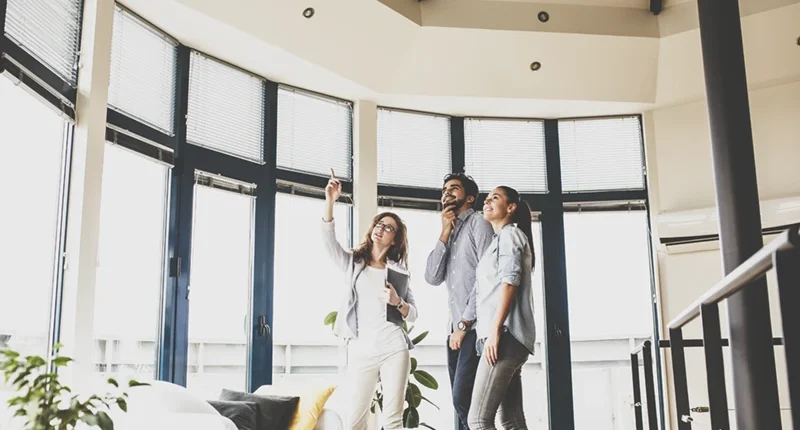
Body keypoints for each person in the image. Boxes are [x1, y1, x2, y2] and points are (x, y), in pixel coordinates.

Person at [322, 169, 418, 430]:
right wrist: (330, 201)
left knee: (393, 419)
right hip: (361, 349)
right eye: (379, 224)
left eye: (388, 228)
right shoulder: (354, 262)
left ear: (395, 239)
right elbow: (329, 242)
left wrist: (398, 302)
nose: (381, 229)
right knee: (354, 420)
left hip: (393, 347)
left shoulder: (398, 271)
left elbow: (413, 314)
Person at [424, 173, 494, 430]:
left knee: (463, 398)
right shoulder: (450, 231)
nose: (447, 193)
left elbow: (487, 279)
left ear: (471, 197)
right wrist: (444, 232)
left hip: (475, 328)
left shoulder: (479, 223)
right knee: (464, 404)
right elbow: (432, 277)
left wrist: (464, 324)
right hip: (454, 332)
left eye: (454, 188)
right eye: (445, 189)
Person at [468, 185, 537, 430]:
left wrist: (495, 331)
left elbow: (510, 281)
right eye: (486, 198)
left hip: (505, 336)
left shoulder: (510, 235)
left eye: (494, 198)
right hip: (508, 337)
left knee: (478, 421)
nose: (486, 202)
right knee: (512, 420)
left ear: (510, 208)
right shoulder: (501, 239)